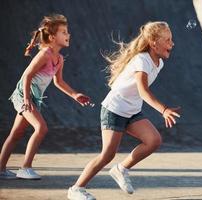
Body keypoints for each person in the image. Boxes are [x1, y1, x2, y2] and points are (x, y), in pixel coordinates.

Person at [67, 21, 180, 200]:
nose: (172, 44)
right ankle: (76, 189)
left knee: (154, 140)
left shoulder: (158, 64)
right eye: (167, 40)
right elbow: (143, 91)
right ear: (153, 42)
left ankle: (121, 169)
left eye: (171, 40)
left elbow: (139, 94)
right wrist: (163, 109)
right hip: (114, 109)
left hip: (132, 111)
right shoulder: (141, 60)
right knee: (107, 154)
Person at [0, 14, 91, 180]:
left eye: (67, 31)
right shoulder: (44, 55)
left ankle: (0, 169)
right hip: (23, 96)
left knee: (16, 133)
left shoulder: (60, 59)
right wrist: (27, 100)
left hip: (33, 98)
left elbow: (59, 82)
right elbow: (27, 76)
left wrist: (75, 95)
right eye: (64, 32)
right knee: (41, 128)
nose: (68, 35)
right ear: (52, 37)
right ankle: (25, 168)